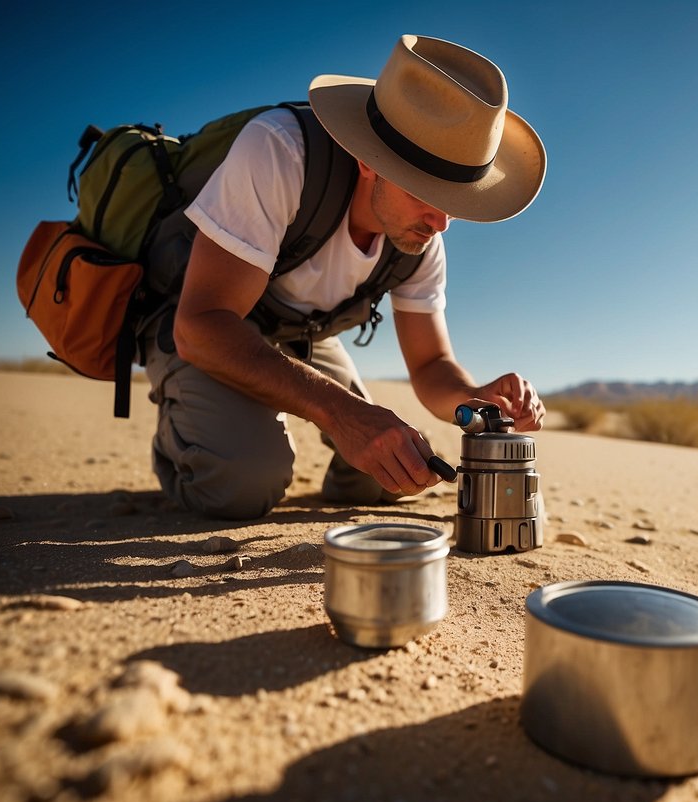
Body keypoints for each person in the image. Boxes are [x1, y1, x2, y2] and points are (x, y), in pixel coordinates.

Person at [143, 34, 547, 519]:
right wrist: (343, 413)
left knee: (386, 478)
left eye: (456, 201)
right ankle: (184, 436)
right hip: (206, 323)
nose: (441, 222)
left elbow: (432, 365)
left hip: (303, 335)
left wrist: (473, 396)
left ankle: (328, 463)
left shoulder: (421, 239)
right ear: (368, 161)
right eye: (425, 192)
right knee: (243, 484)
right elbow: (201, 326)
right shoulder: (280, 151)